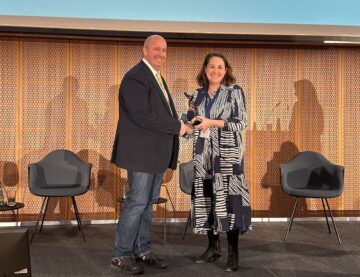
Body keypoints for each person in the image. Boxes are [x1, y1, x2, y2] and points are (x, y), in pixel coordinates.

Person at [110, 35, 188, 275]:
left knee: (146, 205)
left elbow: (158, 114)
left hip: (155, 155)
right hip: (141, 155)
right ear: (144, 50)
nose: (161, 54)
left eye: (164, 50)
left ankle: (142, 250)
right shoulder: (136, 77)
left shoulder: (156, 77)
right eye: (156, 49)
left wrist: (181, 123)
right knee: (136, 204)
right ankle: (121, 255)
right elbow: (142, 115)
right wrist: (178, 127)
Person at [187, 52, 251, 272]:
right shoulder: (197, 95)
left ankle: (233, 253)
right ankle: (213, 247)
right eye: (211, 67)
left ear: (226, 71)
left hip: (227, 157)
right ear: (205, 70)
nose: (215, 70)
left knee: (230, 203)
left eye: (220, 67)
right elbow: (192, 123)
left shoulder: (234, 92)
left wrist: (211, 122)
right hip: (203, 156)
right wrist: (186, 127)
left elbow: (241, 122)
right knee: (207, 201)